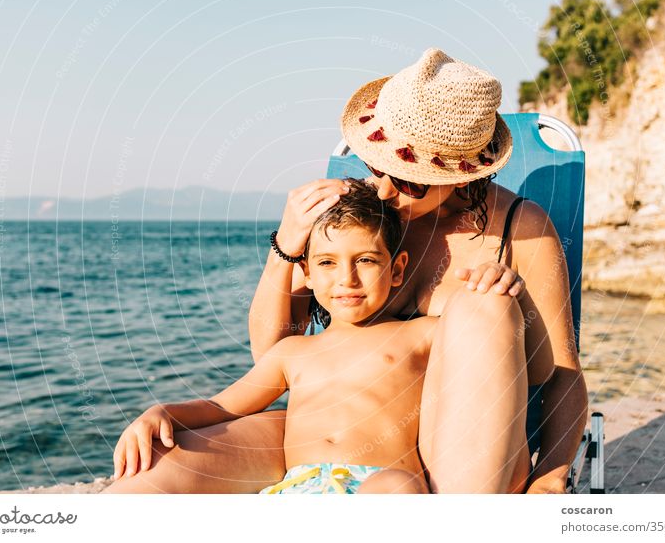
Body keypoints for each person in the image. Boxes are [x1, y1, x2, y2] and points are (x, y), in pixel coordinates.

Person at [103, 48, 587, 494]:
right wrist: (286, 247)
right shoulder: (359, 212)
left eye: (407, 180)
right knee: (156, 471)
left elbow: (560, 372)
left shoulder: (521, 230)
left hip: (455, 449)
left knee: (485, 303)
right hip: (334, 434)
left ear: (463, 174)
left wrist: (553, 473)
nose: (384, 190)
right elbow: (276, 355)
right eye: (377, 165)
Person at [112, 180, 436, 494]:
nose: (346, 278)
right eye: (327, 262)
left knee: (397, 487)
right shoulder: (292, 352)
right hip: (301, 488)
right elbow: (223, 406)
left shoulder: (420, 334)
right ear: (307, 273)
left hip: (379, 483)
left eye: (365, 260)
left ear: (396, 269)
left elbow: (482, 346)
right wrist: (164, 413)